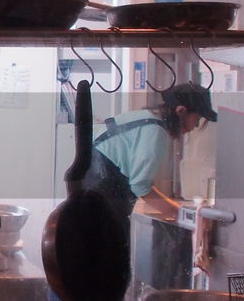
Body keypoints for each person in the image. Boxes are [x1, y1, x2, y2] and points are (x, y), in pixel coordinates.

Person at [82, 81, 218, 220]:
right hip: (102, 195)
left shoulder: (146, 118)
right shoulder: (156, 132)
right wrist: (179, 214)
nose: (195, 125)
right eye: (197, 118)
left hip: (92, 188)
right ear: (181, 111)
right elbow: (140, 186)